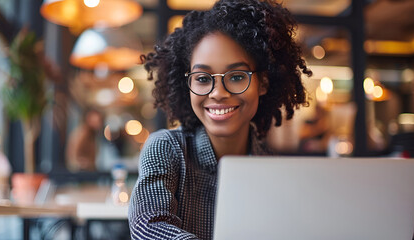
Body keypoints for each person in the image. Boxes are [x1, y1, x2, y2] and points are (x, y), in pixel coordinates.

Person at [128, 0, 311, 239]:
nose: (218, 92)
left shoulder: (268, 164)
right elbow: (148, 225)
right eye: (203, 78)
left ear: (263, 83)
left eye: (236, 76)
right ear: (188, 85)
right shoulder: (167, 148)